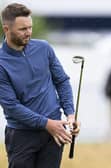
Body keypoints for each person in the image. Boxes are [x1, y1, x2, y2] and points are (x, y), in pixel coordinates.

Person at [0, 3, 80, 168]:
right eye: (23, 29)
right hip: (22, 136)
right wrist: (47, 124)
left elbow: (62, 81)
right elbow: (11, 106)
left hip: (54, 133)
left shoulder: (44, 48)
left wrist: (70, 115)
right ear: (6, 29)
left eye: (30, 27)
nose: (28, 32)